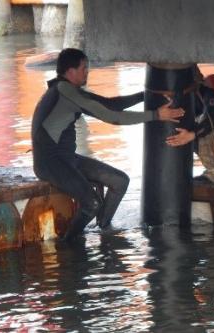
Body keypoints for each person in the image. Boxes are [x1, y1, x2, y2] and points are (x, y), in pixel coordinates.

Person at [31, 48, 184, 241]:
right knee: (92, 204)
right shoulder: (65, 92)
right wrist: (156, 115)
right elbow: (111, 117)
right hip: (50, 163)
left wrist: (147, 96)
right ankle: (69, 246)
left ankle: (103, 228)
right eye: (84, 68)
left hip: (68, 159)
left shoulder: (69, 90)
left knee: (120, 181)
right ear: (70, 71)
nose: (87, 72)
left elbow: (111, 105)